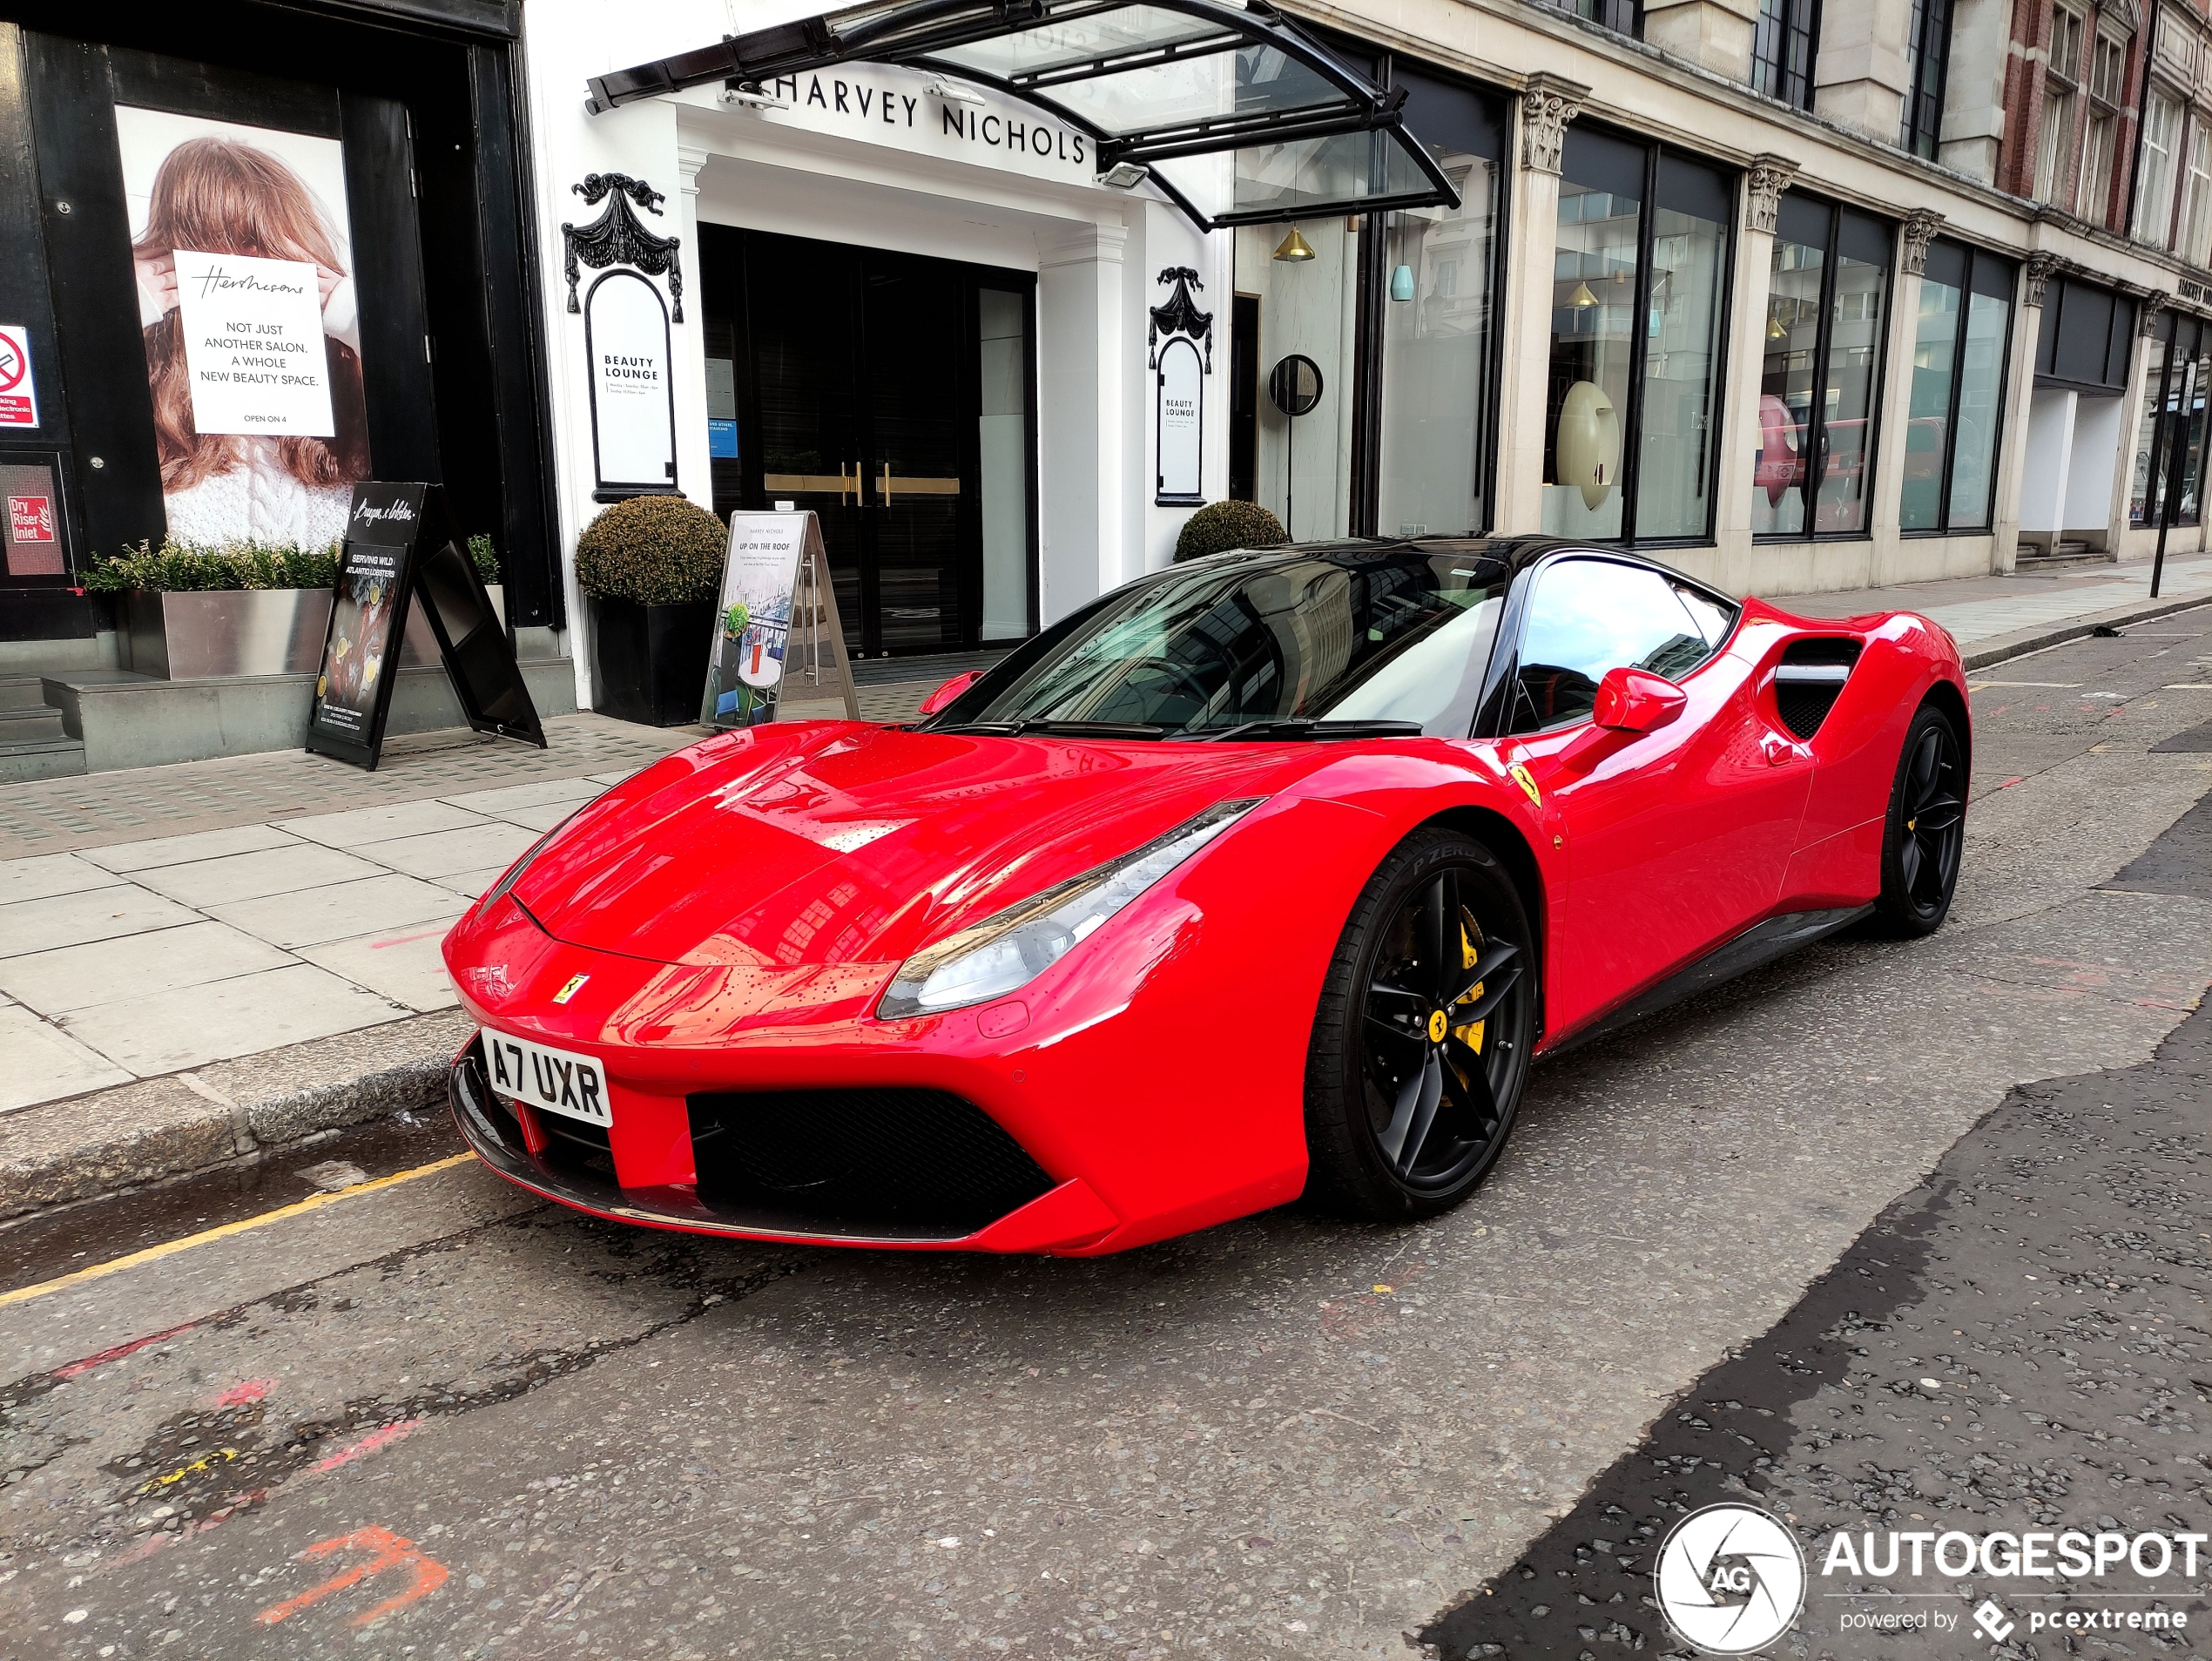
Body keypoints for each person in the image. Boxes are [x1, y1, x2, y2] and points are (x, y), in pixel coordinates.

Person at [132, 136, 370, 546]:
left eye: (263, 242)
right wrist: (117, 315)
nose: (248, 264)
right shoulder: (144, 396)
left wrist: (356, 322)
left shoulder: (354, 397)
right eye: (218, 244)